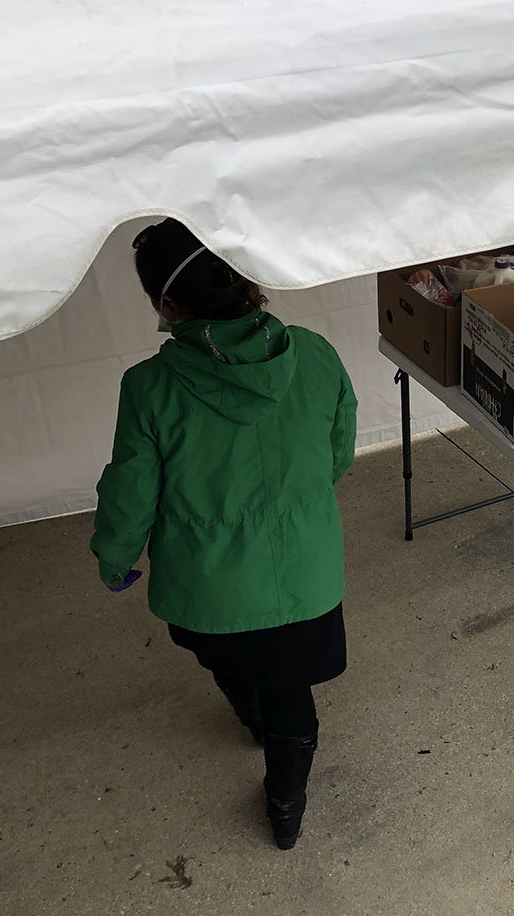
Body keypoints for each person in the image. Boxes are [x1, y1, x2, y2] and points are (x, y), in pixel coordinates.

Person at [91, 218, 357, 849]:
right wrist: (300, 509)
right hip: (305, 576)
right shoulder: (315, 353)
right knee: (292, 691)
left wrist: (115, 557)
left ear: (167, 305)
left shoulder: (149, 387)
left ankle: (250, 715)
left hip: (208, 585)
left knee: (226, 654)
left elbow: (131, 492)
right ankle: (285, 810)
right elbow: (338, 454)